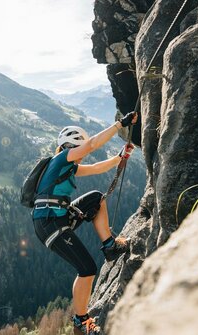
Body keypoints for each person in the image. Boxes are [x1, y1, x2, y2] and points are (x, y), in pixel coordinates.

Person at [32, 112, 138, 335]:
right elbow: (91, 144)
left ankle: (110, 246)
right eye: (77, 150)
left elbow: (98, 168)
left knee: (97, 199)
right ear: (70, 146)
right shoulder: (61, 159)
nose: (80, 156)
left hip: (57, 218)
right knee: (87, 269)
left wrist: (120, 157)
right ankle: (81, 320)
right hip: (49, 223)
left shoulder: (67, 167)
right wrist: (120, 124)